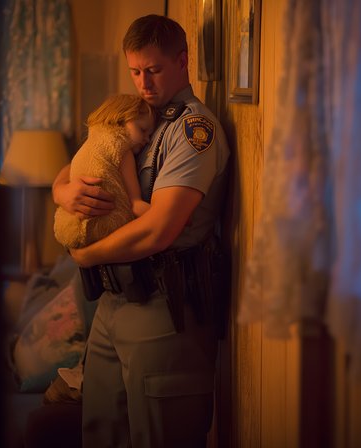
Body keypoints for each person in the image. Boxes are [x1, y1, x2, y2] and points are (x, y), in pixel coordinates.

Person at [51, 14, 230, 448]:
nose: (143, 83)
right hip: (113, 302)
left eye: (153, 70)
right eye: (135, 72)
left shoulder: (193, 130)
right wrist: (65, 193)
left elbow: (159, 230)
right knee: (100, 432)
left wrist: (86, 256)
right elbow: (70, 171)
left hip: (164, 308)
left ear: (182, 61)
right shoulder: (134, 116)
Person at [53, 93, 155, 249]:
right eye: (143, 130)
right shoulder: (121, 150)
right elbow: (135, 205)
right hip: (106, 226)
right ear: (122, 118)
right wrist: (171, 217)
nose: (147, 139)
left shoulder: (90, 143)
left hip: (70, 229)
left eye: (150, 135)